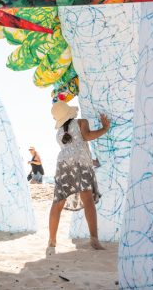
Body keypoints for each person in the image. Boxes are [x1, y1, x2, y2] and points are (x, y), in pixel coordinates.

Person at [47, 101, 110, 252]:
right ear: (70, 112)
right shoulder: (81, 122)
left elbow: (72, 149)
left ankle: (52, 240)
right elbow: (87, 137)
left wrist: (92, 161)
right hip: (81, 164)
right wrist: (105, 128)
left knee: (58, 202)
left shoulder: (59, 133)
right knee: (87, 199)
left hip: (63, 165)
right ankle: (94, 239)